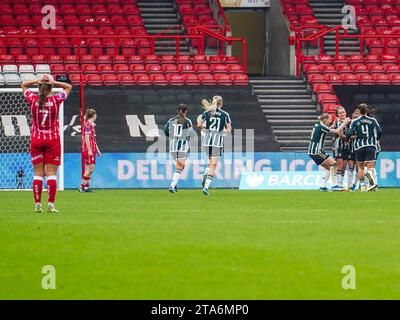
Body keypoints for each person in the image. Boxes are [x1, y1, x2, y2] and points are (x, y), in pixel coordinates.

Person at [22, 74, 72, 213]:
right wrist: (54, 81)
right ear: (51, 88)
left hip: (37, 140)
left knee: (38, 174)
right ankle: (50, 205)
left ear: (39, 87)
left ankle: (37, 205)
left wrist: (37, 81)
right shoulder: (56, 100)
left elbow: (23, 85)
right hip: (52, 140)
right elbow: (69, 87)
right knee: (51, 174)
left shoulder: (32, 100)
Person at [197, 96, 232, 196]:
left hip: (207, 142)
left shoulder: (207, 112)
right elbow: (229, 129)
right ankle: (206, 187)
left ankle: (205, 174)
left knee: (210, 162)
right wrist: (222, 131)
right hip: (217, 143)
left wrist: (207, 129)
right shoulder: (225, 114)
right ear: (221, 103)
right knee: (213, 165)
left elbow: (199, 125)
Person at [308, 113, 350, 192]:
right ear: (325, 119)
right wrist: (345, 122)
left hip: (313, 151)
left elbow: (327, 129)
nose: (330, 121)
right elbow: (337, 131)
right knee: (334, 164)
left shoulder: (318, 125)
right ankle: (334, 186)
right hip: (317, 151)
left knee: (328, 167)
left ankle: (323, 186)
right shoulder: (322, 127)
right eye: (329, 119)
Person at [345, 103, 382, 192]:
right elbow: (379, 131)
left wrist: (347, 139)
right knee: (370, 167)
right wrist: (377, 139)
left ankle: (362, 187)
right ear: (366, 110)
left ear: (359, 111)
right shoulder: (372, 120)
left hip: (359, 146)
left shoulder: (354, 121)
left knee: (360, 168)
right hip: (370, 145)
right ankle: (372, 182)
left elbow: (349, 133)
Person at [163, 104, 193, 193]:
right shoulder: (187, 121)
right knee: (180, 166)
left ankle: (175, 184)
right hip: (182, 146)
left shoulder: (171, 120)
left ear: (177, 111)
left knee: (180, 166)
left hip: (173, 146)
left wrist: (172, 136)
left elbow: (165, 131)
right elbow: (191, 134)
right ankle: (172, 186)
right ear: (186, 111)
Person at [79, 108, 101, 193]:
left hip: (92, 149)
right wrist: (89, 150)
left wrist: (97, 150)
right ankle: (82, 186)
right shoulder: (88, 124)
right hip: (88, 149)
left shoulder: (91, 125)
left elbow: (93, 139)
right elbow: (87, 138)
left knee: (90, 169)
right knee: (90, 169)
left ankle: (86, 187)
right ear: (94, 115)